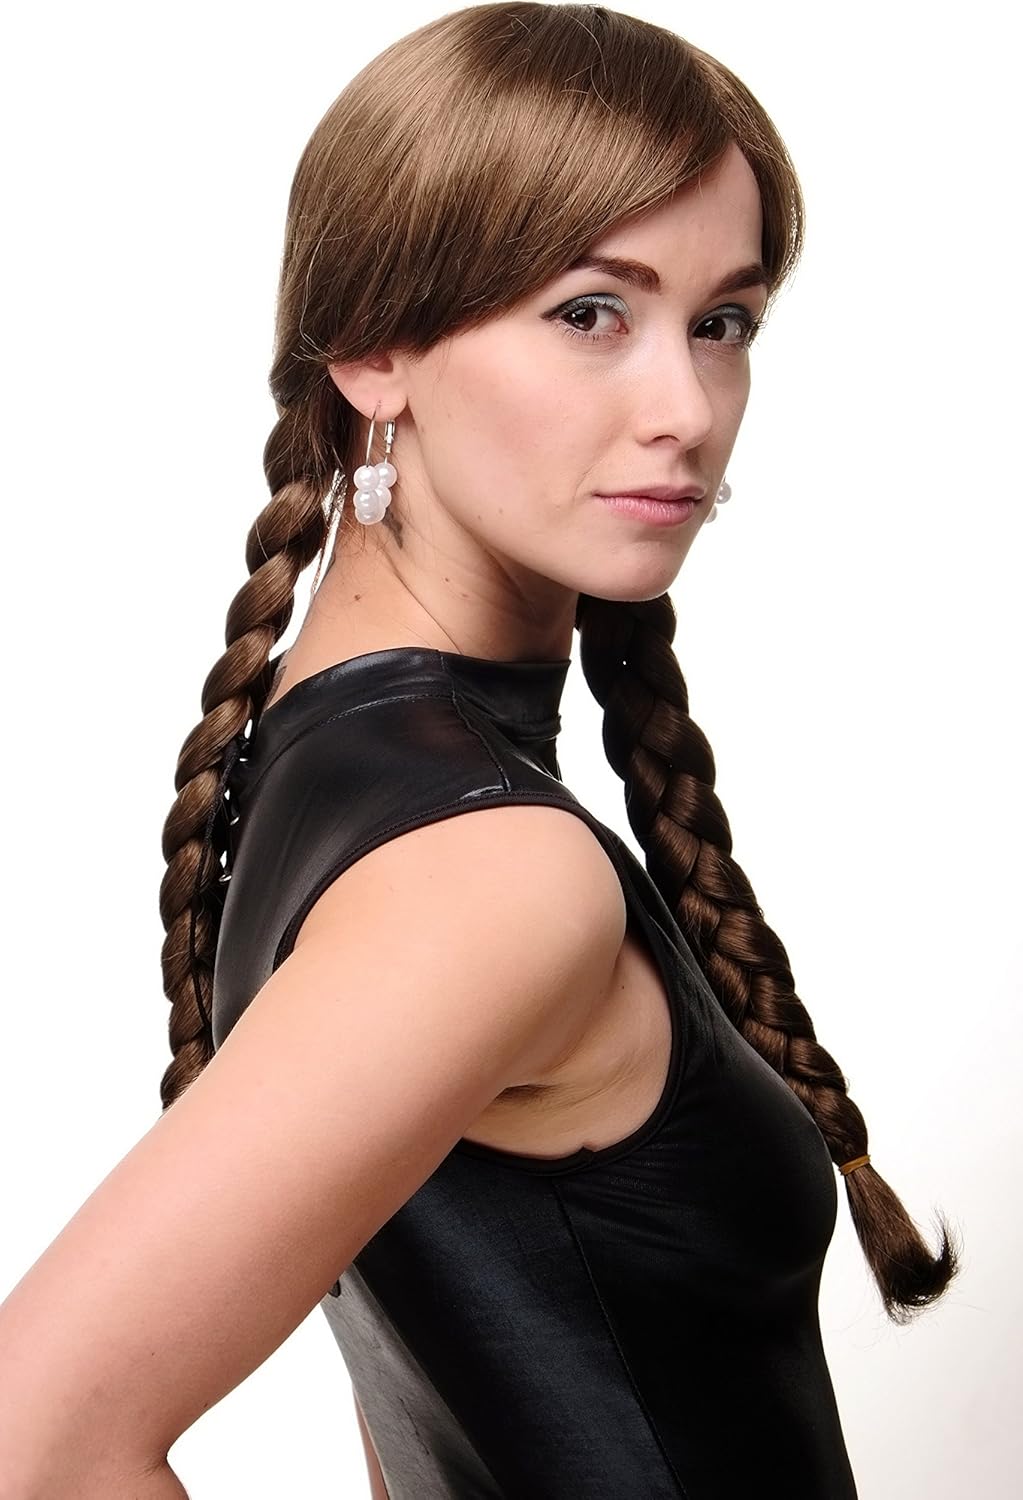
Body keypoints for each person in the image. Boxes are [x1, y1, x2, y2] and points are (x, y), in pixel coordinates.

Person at [0, 4, 961, 1497]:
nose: (687, 409)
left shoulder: (315, 760)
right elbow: (40, 1438)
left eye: (723, 323)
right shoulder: (492, 871)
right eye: (591, 312)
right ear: (373, 350)